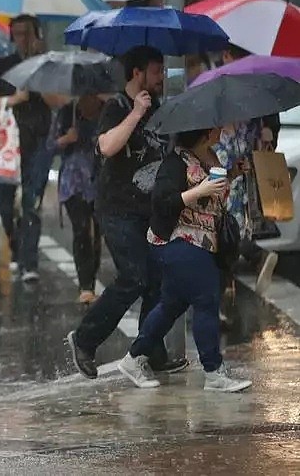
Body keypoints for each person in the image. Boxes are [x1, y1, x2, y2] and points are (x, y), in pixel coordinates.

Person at [67, 47, 187, 379]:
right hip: (117, 208)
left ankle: (150, 351)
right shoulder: (118, 106)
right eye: (155, 71)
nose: (161, 77)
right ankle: (85, 339)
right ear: (137, 74)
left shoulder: (160, 109)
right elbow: (106, 147)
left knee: (156, 282)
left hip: (148, 210)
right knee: (134, 276)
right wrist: (135, 113)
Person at [118, 127, 252, 393]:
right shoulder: (175, 162)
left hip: (204, 242)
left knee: (171, 305)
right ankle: (213, 372)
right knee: (206, 300)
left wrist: (233, 174)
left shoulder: (209, 157)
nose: (221, 130)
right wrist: (199, 190)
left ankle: (133, 358)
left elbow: (213, 197)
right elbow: (163, 202)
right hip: (181, 242)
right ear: (203, 134)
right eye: (215, 128)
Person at [0, 14, 63, 281]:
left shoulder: (46, 64)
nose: (22, 39)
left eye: (27, 33)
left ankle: (30, 263)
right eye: (17, 34)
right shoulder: (3, 65)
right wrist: (16, 98)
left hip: (40, 142)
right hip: (8, 146)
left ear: (37, 34)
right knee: (5, 205)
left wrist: (37, 76)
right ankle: (17, 249)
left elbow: (58, 100)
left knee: (31, 202)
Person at [214, 46, 280, 297]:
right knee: (229, 226)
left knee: (228, 225)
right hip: (230, 166)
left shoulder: (249, 89)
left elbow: (269, 122)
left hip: (234, 167)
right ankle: (232, 276)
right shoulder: (228, 87)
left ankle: (247, 263)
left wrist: (268, 132)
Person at [51, 95, 103, 304]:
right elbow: (50, 146)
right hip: (73, 182)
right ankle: (86, 285)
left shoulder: (107, 110)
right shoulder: (67, 112)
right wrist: (66, 139)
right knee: (81, 230)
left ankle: (91, 278)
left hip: (99, 178)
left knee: (98, 230)